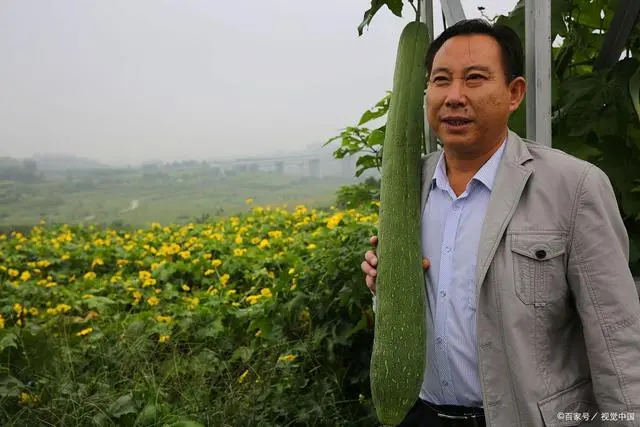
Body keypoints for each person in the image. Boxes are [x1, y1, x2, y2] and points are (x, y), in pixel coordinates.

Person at [361, 18, 640, 427]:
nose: (454, 96)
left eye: (474, 78)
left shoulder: (574, 187)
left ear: (514, 93)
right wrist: (384, 286)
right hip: (420, 415)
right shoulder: (408, 184)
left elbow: (618, 339)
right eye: (441, 80)